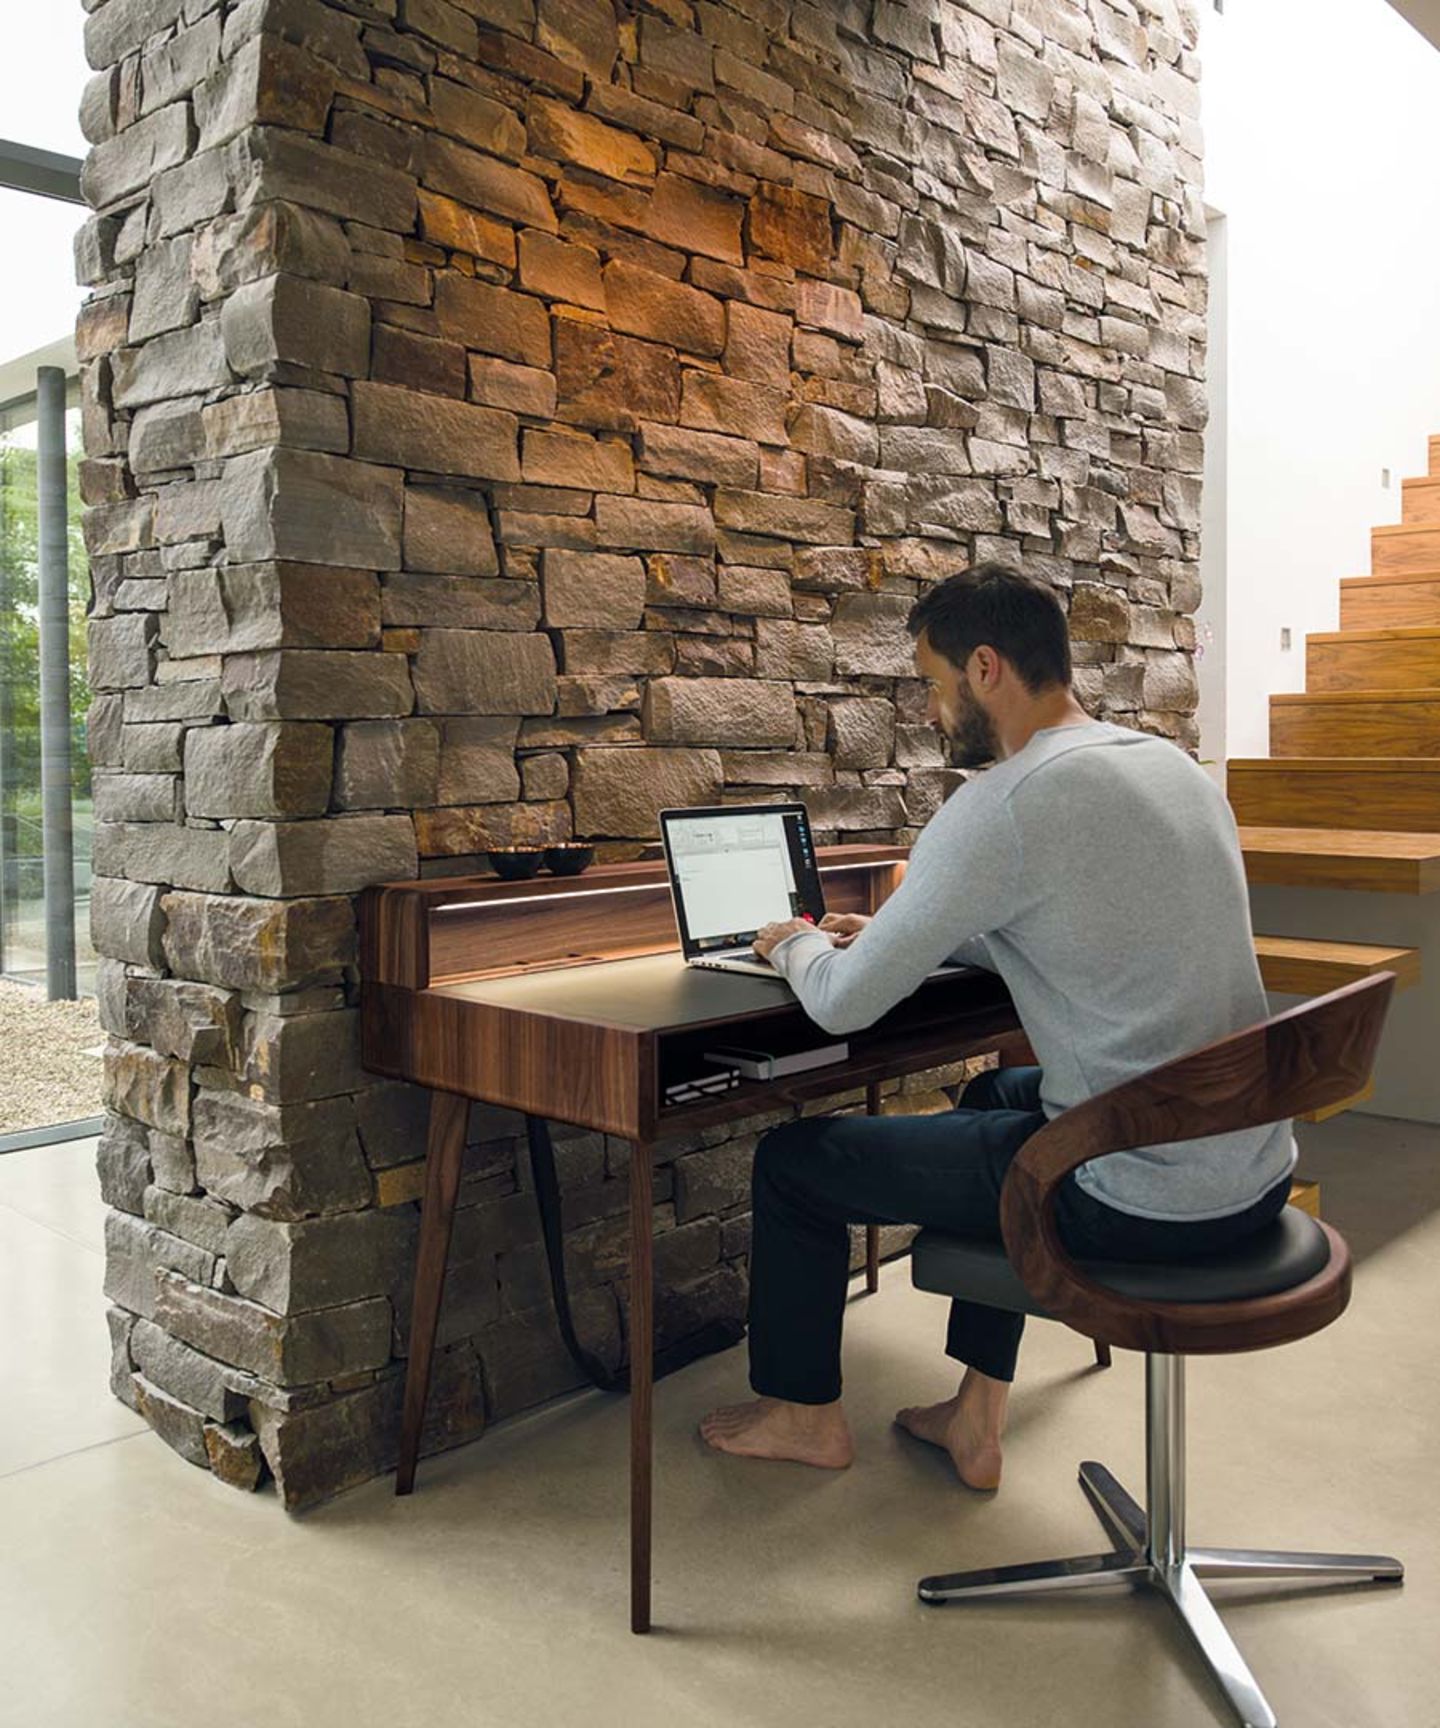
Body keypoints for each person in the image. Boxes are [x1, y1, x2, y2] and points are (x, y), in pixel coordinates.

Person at [699, 564, 1294, 1488]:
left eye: (933, 685)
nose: (933, 713)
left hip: (1137, 1194)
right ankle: (976, 1415)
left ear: (984, 668)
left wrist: (795, 943)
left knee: (794, 1163)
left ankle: (803, 1416)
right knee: (992, 1093)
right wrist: (900, 934)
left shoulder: (1003, 802)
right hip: (1247, 1165)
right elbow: (1081, 923)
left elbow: (841, 1003)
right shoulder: (1170, 767)